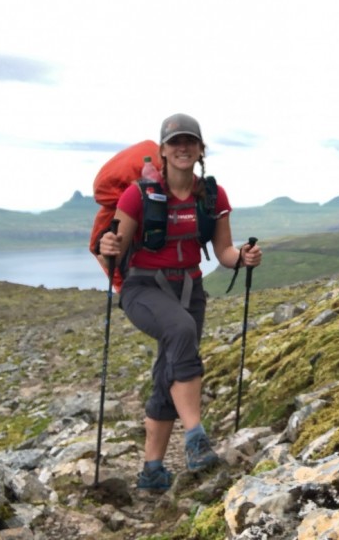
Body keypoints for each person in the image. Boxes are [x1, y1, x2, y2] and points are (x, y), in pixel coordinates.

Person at [99, 113, 262, 491]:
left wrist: (244, 257)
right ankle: (196, 438)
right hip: (142, 289)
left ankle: (152, 472)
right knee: (180, 330)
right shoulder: (137, 194)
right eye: (175, 142)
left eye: (190, 141)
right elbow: (117, 247)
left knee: (169, 372)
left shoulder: (213, 196)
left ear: (201, 149)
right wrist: (110, 245)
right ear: (163, 151)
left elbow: (223, 251)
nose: (183, 148)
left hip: (190, 290)